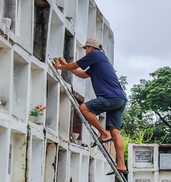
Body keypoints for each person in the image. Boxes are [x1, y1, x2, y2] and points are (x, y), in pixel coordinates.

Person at [53, 38, 128, 174]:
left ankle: (104, 134)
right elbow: (82, 74)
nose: (85, 51)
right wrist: (65, 65)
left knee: (84, 108)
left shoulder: (95, 55)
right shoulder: (99, 61)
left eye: (85, 48)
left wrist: (60, 67)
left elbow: (75, 65)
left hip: (110, 97)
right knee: (115, 131)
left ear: (91, 47)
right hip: (120, 99)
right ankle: (121, 164)